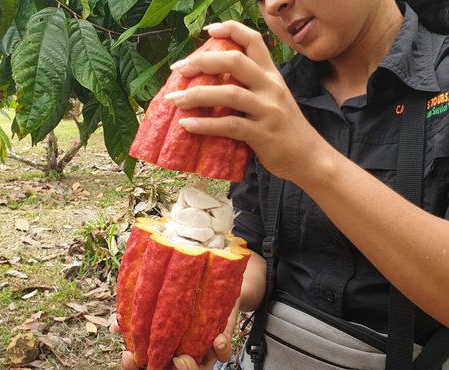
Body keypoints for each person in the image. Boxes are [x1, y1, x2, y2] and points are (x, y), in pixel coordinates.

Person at [111, 0, 449, 368]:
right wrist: (209, 304)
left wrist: (310, 161)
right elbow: (254, 244)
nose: (274, 4)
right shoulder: (273, 95)